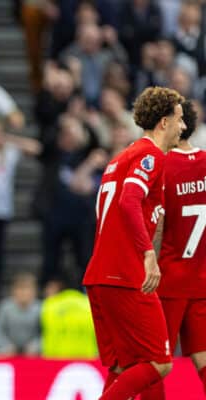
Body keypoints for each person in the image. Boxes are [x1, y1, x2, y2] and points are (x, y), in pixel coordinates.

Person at [82, 86, 186, 399]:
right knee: (159, 362)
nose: (184, 127)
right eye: (180, 120)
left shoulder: (119, 159)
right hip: (125, 275)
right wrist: (148, 255)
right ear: (164, 123)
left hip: (101, 276)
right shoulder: (149, 155)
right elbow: (129, 200)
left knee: (127, 365)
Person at [141, 101, 206, 398]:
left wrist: (146, 260)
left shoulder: (163, 165)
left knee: (154, 360)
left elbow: (158, 224)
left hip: (169, 281)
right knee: (203, 357)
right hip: (202, 279)